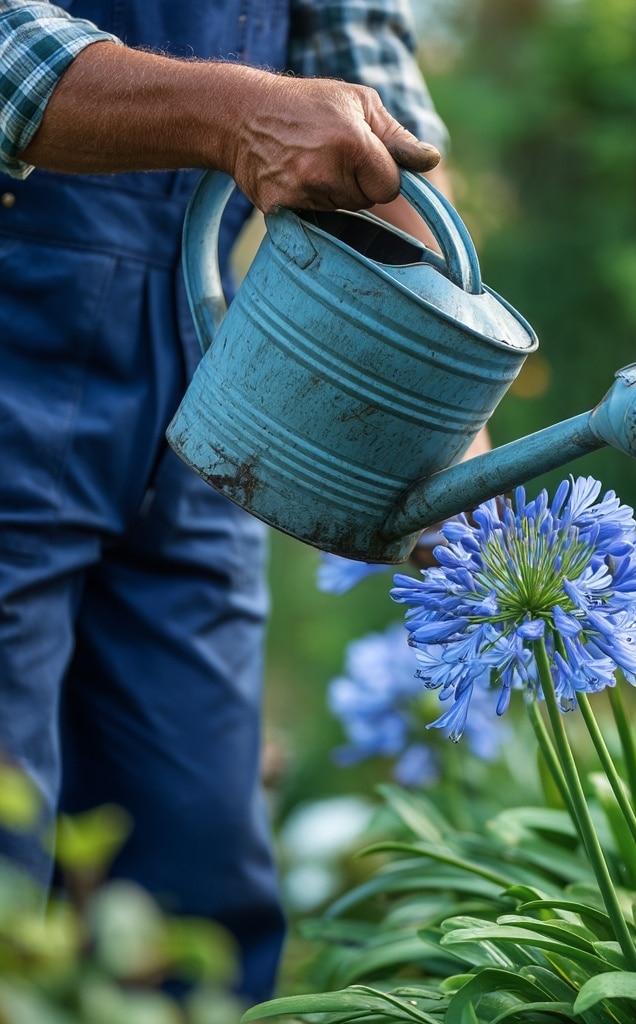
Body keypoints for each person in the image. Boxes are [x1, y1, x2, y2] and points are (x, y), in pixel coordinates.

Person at [0, 0, 452, 1003]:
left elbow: (371, 83)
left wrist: (450, 403)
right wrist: (230, 114)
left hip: (213, 381)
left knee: (196, 883)